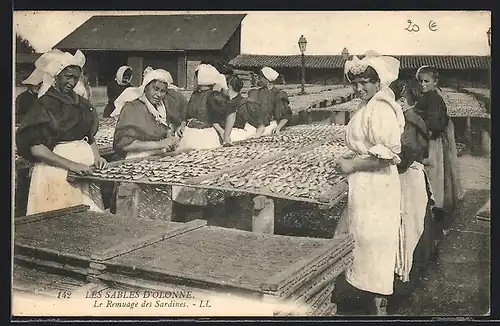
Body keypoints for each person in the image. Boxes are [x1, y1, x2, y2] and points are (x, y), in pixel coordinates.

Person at [333, 51, 405, 315]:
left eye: (364, 82)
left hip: (377, 187)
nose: (358, 87)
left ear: (378, 83)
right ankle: (364, 300)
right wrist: (351, 156)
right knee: (362, 240)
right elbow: (368, 146)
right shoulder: (368, 107)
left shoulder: (382, 108)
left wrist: (352, 165)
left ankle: (378, 308)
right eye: (355, 82)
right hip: (364, 185)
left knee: (375, 244)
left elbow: (388, 156)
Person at [15, 49, 108, 215]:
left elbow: (88, 136)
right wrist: (72, 165)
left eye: (75, 78)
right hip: (57, 170)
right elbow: (37, 148)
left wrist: (97, 157)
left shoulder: (81, 103)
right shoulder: (45, 104)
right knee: (62, 217)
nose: (72, 82)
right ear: (56, 77)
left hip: (84, 171)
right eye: (68, 77)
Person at [110, 68, 180, 216]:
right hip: (137, 164)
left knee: (157, 213)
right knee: (136, 212)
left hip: (158, 164)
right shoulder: (132, 108)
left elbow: (161, 129)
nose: (158, 95)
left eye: (163, 91)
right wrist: (159, 144)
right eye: (155, 89)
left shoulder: (160, 108)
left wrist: (169, 137)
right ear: (146, 86)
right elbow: (123, 144)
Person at [389, 80, 436, 288]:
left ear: (402, 101)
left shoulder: (410, 121)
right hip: (413, 173)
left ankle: (407, 274)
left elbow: (405, 157)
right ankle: (414, 266)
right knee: (417, 221)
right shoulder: (410, 117)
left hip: (409, 176)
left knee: (409, 223)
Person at [413, 66, 462, 234]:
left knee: (433, 175)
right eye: (420, 81)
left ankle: (435, 216)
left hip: (432, 142)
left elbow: (436, 124)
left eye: (427, 81)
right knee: (434, 176)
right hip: (430, 140)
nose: (423, 84)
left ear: (435, 82)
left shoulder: (433, 98)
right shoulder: (427, 97)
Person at [177, 64, 228, 150]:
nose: (193, 80)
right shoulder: (195, 94)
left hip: (204, 135)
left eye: (195, 77)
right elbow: (188, 115)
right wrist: (182, 125)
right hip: (189, 132)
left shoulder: (212, 95)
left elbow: (215, 116)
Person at [247, 67, 292, 135]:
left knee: (254, 134)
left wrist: (278, 127)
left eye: (260, 77)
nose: (259, 79)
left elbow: (286, 115)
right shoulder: (257, 92)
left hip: (271, 124)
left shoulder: (278, 94)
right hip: (257, 124)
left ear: (267, 80)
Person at [222, 74, 266, 144]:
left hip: (236, 134)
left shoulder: (245, 104)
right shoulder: (225, 102)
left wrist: (256, 136)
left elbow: (261, 125)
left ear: (229, 86)